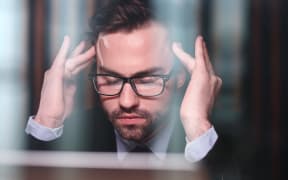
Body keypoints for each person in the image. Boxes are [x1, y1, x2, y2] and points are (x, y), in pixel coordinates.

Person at [25, 0, 222, 163]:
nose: (126, 102)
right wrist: (47, 122)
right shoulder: (74, 142)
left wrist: (198, 131)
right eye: (111, 80)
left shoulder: (225, 145)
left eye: (147, 80)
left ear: (181, 75)